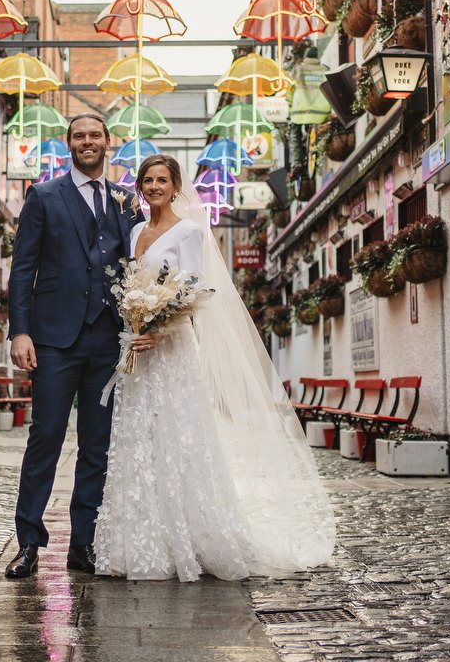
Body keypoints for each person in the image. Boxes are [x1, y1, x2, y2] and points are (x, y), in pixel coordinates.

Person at [94, 154, 335, 581]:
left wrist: (158, 328)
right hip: (138, 352)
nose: (153, 187)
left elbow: (194, 290)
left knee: (178, 437)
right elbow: (136, 287)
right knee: (139, 440)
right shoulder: (134, 230)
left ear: (175, 185)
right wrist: (136, 323)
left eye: (161, 180)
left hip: (170, 351)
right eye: (147, 180)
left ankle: (192, 537)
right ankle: (142, 541)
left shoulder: (188, 231)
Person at [5, 114, 144, 579]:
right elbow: (23, 268)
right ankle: (28, 542)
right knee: (45, 437)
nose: (88, 142)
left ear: (109, 143)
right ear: (69, 145)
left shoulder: (127, 202)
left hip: (108, 340)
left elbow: (142, 266)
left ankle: (83, 542)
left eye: (95, 135)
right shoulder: (44, 196)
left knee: (97, 445)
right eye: (79, 136)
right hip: (53, 339)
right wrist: (19, 331)